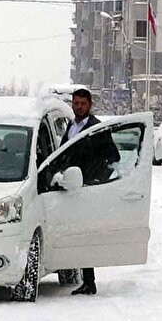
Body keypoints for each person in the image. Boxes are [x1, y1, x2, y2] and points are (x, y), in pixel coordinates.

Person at [61, 88, 120, 296]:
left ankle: (89, 281)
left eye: (82, 104)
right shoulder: (72, 126)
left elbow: (112, 157)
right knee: (75, 233)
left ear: (90, 105)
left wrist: (94, 179)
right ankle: (79, 276)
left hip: (87, 188)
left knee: (85, 234)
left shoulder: (96, 128)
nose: (78, 107)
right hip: (71, 186)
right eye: (75, 103)